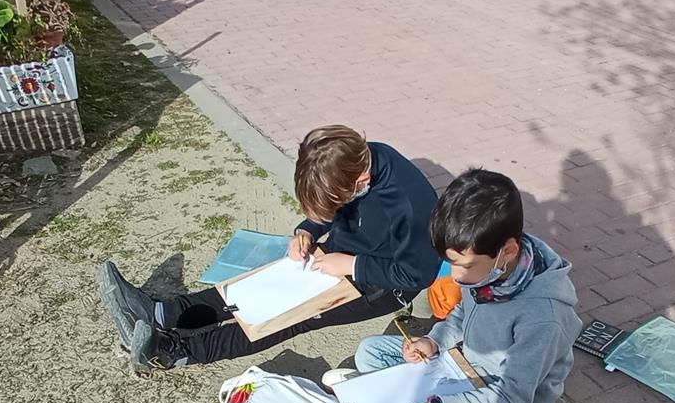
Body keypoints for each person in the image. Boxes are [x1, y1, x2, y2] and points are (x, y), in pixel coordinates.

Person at [97, 125, 441, 368]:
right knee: (257, 287)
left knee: (284, 316)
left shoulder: (412, 205)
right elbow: (330, 205)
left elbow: (418, 274)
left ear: (361, 180)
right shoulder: (353, 162)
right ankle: (162, 312)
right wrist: (307, 230)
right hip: (339, 258)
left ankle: (172, 351)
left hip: (380, 285)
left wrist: (351, 265)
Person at [327, 168, 582, 403]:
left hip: (507, 401)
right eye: (451, 264)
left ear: (508, 251)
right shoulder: (488, 267)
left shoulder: (543, 317)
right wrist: (434, 341)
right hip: (458, 366)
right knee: (370, 351)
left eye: (464, 266)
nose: (456, 277)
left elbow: (513, 398)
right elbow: (462, 314)